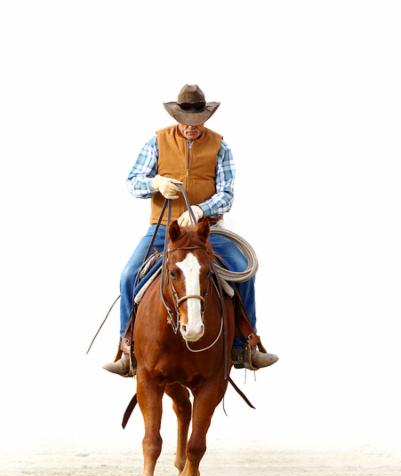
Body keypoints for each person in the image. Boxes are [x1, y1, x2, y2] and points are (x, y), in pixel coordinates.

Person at [103, 84, 279, 376]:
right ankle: (127, 348)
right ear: (177, 118)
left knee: (243, 270)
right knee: (128, 276)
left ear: (205, 119)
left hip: (207, 231)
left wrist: (200, 210)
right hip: (164, 229)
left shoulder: (220, 146)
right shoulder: (157, 142)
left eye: (197, 122)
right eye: (186, 122)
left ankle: (244, 344)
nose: (191, 127)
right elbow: (133, 181)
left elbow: (226, 195)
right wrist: (156, 183)